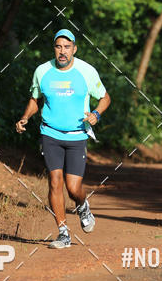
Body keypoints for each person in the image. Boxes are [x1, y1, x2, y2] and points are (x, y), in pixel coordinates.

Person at [16, 29, 111, 249]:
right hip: (50, 133)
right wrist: (25, 117)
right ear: (54, 49)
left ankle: (82, 204)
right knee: (55, 182)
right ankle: (63, 233)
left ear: (74, 49)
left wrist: (96, 114)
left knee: (73, 188)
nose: (62, 51)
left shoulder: (87, 71)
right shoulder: (42, 71)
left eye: (67, 47)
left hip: (77, 135)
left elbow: (105, 98)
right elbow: (34, 100)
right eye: (58, 47)